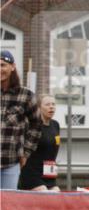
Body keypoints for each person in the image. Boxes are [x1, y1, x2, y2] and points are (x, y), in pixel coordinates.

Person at [0, 50, 41, 191]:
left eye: (3, 65)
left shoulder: (26, 95)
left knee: (7, 206)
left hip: (11, 163)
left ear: (12, 67)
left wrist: (26, 152)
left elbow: (36, 124)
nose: (0, 69)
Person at [18, 95, 61, 191]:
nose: (51, 107)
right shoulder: (31, 125)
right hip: (32, 172)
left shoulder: (55, 125)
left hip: (49, 171)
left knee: (56, 191)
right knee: (44, 192)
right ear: (39, 107)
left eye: (53, 104)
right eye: (47, 104)